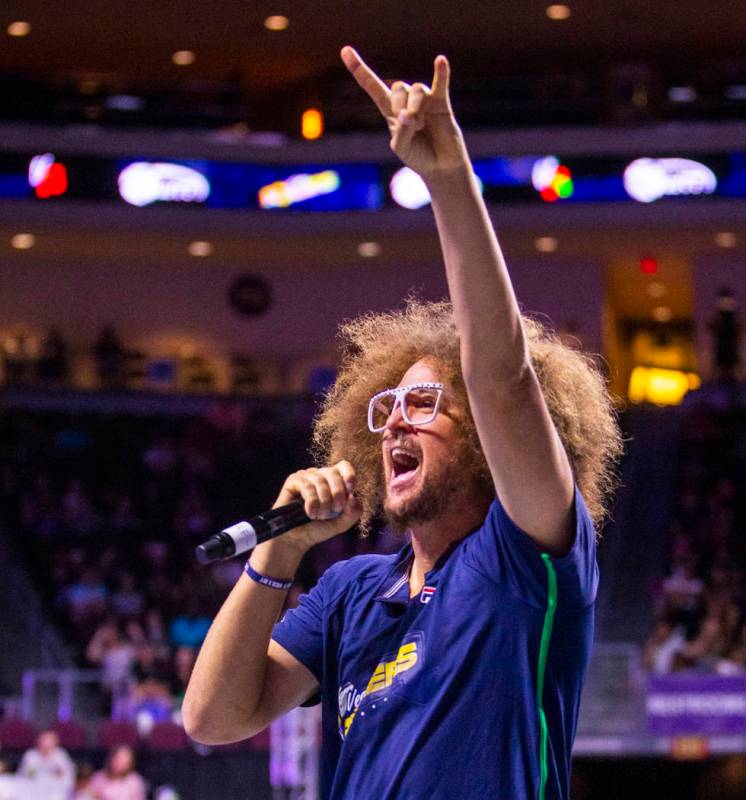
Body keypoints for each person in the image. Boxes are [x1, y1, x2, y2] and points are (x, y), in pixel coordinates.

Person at [183, 47, 622, 800]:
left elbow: (505, 380)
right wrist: (280, 556)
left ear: (485, 438)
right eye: (385, 411)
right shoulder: (353, 592)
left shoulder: (529, 559)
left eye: (424, 405)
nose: (393, 427)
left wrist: (449, 183)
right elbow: (213, 719)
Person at [16, 729, 75, 800]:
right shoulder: (31, 755)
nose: (45, 742)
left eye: (48, 740)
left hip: (55, 789)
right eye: (43, 739)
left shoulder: (60, 755)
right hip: (33, 788)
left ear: (55, 742)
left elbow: (64, 776)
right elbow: (28, 775)